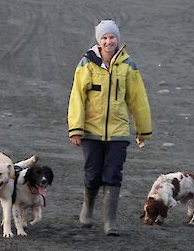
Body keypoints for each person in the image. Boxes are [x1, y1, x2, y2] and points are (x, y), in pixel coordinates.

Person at [67, 19, 152, 236]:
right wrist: (75, 128)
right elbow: (77, 97)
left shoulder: (128, 65)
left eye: (112, 37)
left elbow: (138, 99)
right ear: (98, 41)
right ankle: (87, 207)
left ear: (117, 39)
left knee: (113, 174)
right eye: (104, 38)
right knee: (93, 173)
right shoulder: (86, 64)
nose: (108, 41)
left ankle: (109, 222)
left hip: (118, 132)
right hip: (90, 131)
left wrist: (142, 130)